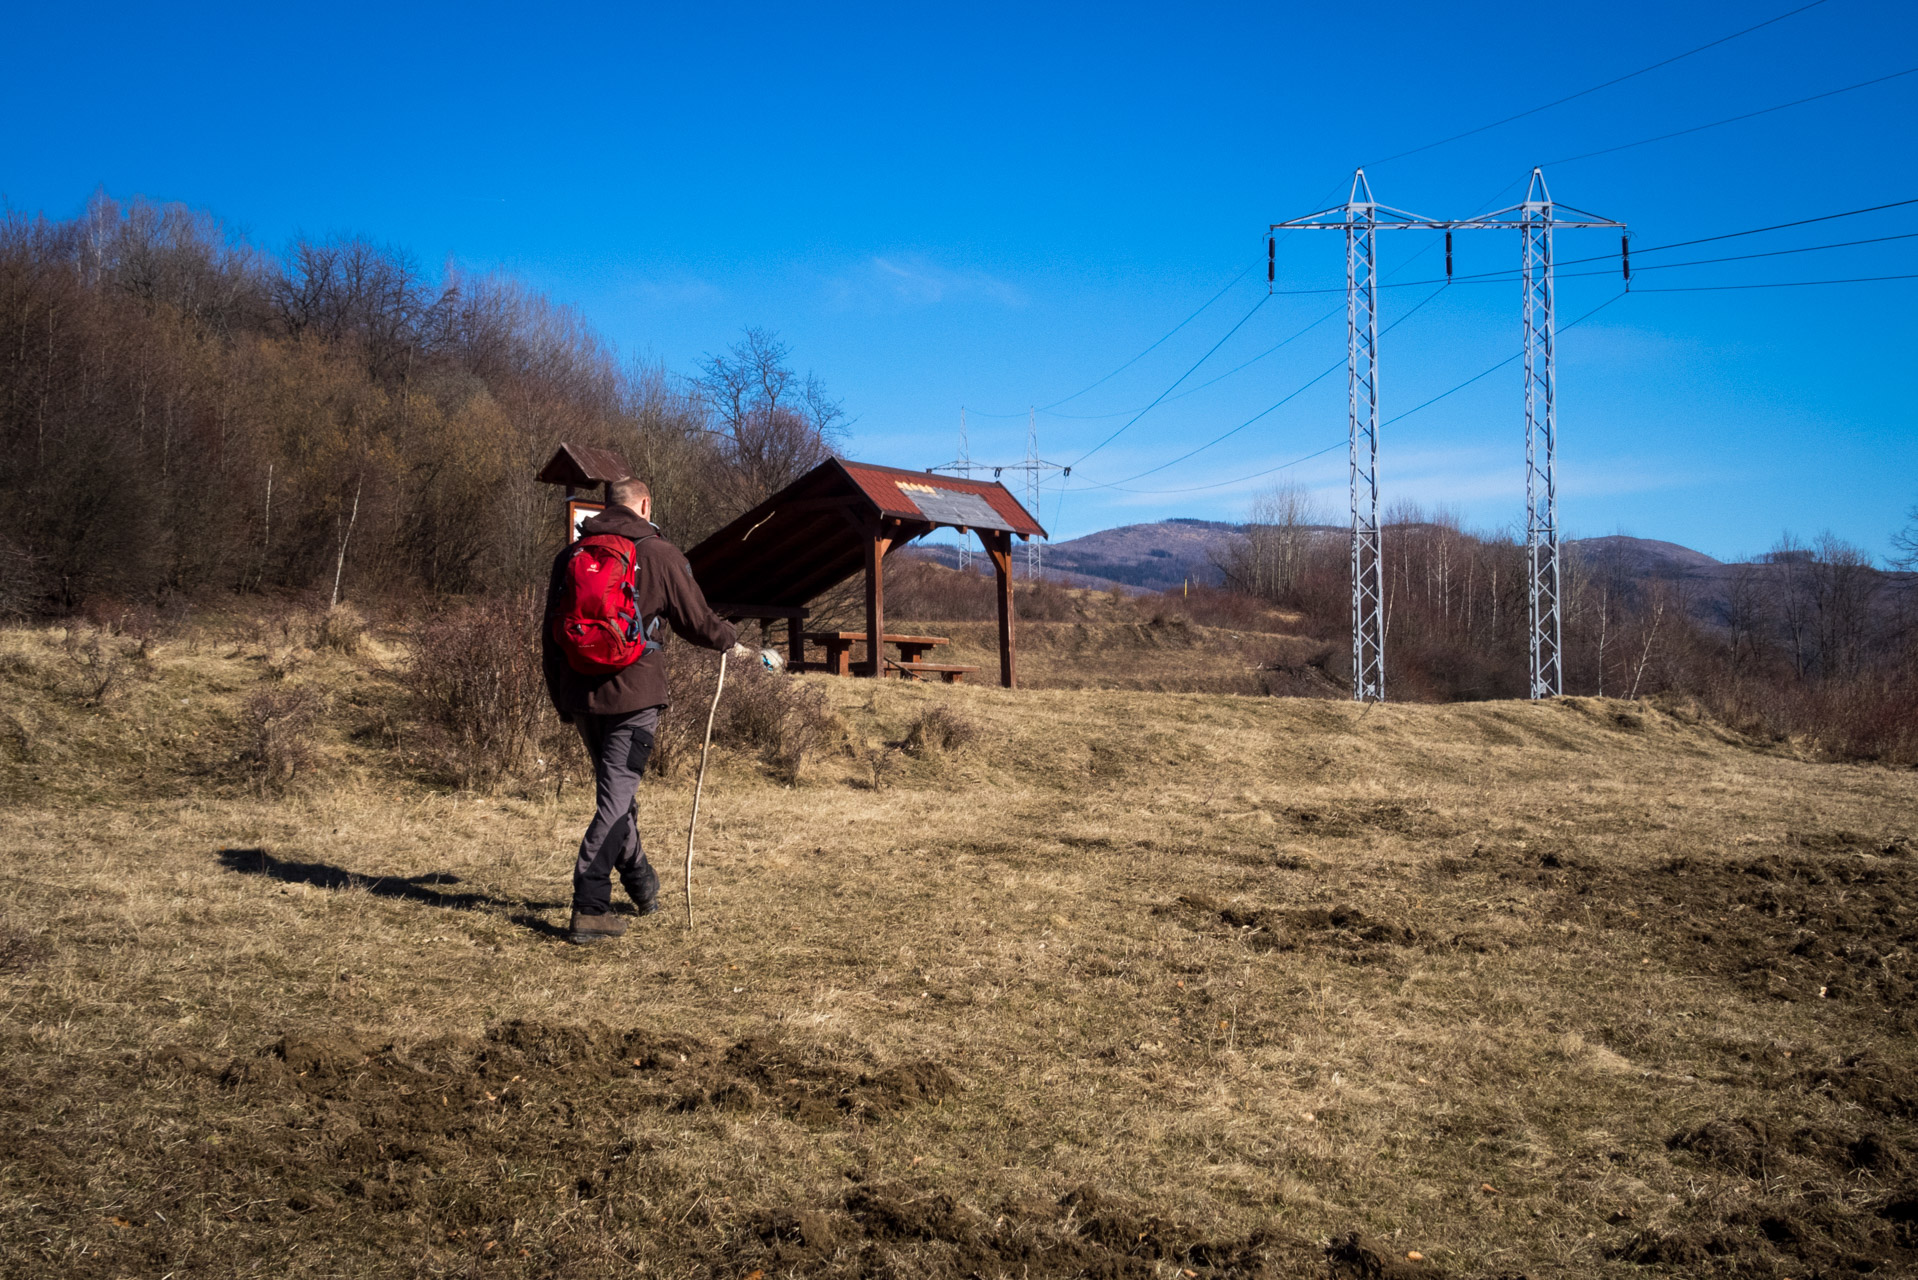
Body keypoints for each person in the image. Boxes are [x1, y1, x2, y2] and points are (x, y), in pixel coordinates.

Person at [541, 477, 746, 944]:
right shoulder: (658, 552)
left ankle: (640, 882)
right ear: (645, 504)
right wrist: (728, 638)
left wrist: (560, 697)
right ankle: (590, 906)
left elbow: (548, 634)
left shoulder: (571, 556)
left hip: (581, 694)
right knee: (615, 799)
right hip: (634, 695)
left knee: (618, 794)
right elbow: (697, 622)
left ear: (606, 505)